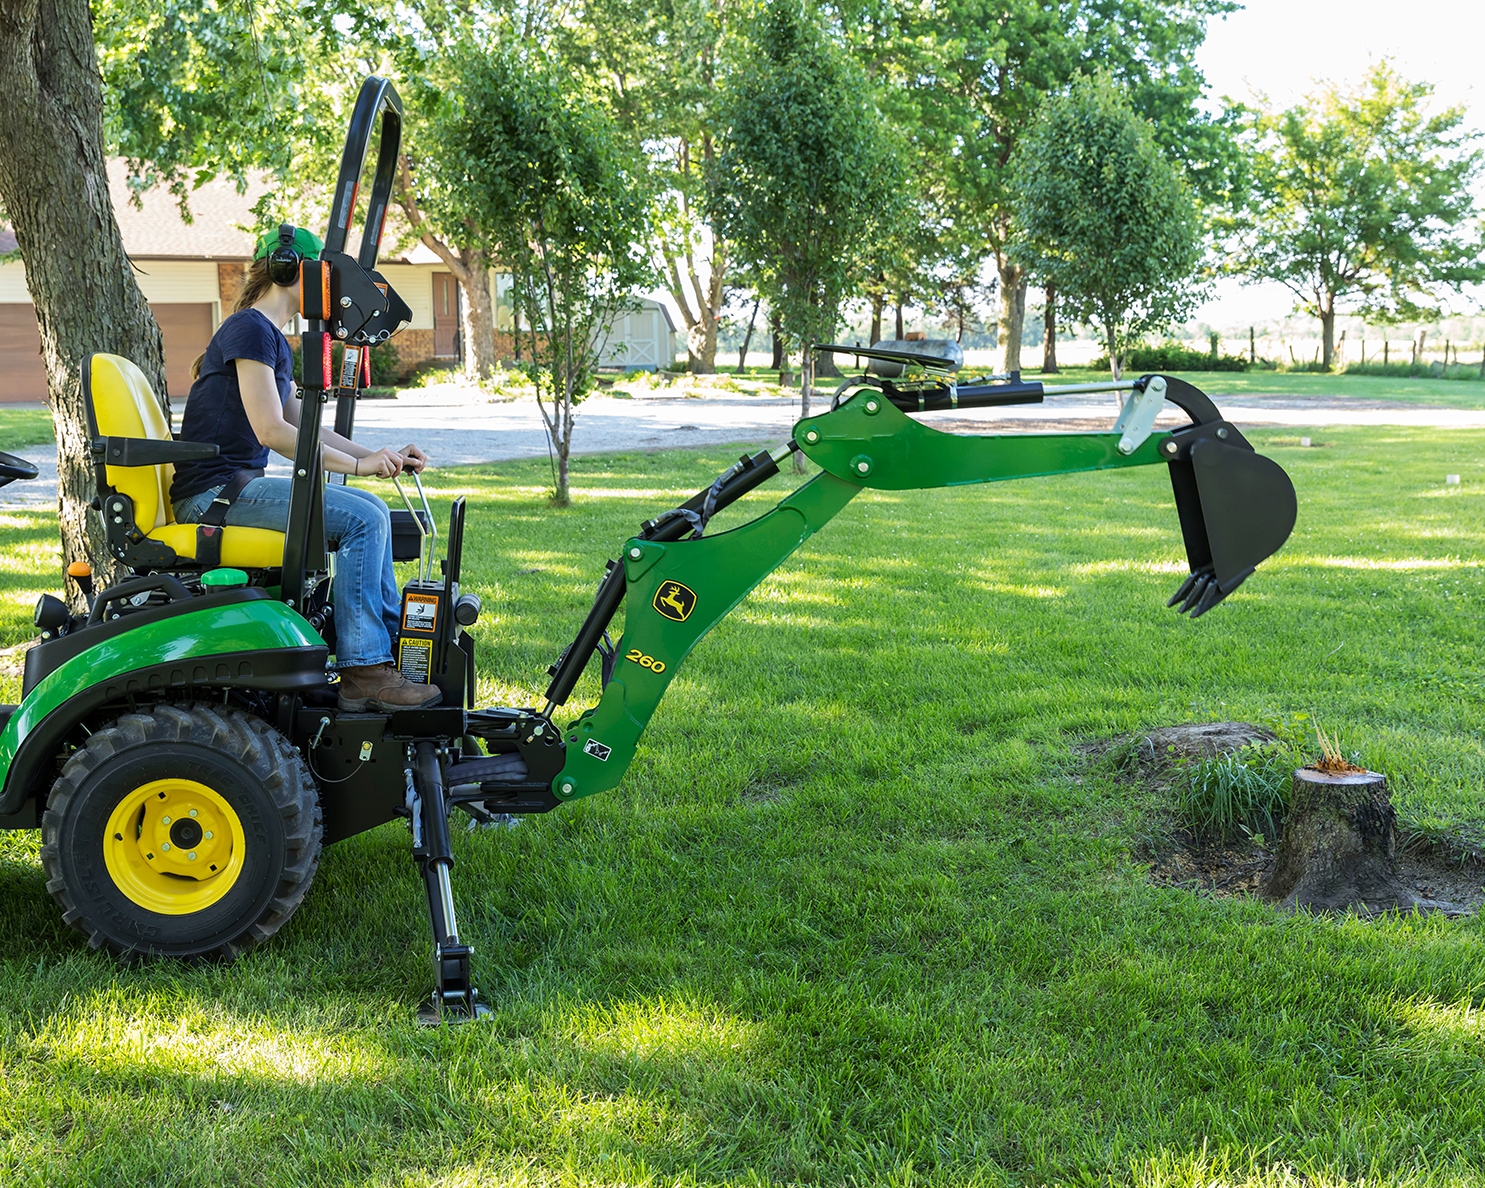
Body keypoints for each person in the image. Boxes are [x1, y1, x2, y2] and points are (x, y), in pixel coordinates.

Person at [171, 225, 440, 712]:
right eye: (326, 272)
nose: (333, 286)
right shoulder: (248, 330)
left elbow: (305, 423)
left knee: (370, 509)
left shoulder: (269, 337)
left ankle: (382, 653)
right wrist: (360, 466)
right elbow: (273, 432)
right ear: (293, 270)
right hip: (213, 498)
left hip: (234, 490)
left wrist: (379, 457)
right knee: (365, 518)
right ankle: (365, 671)